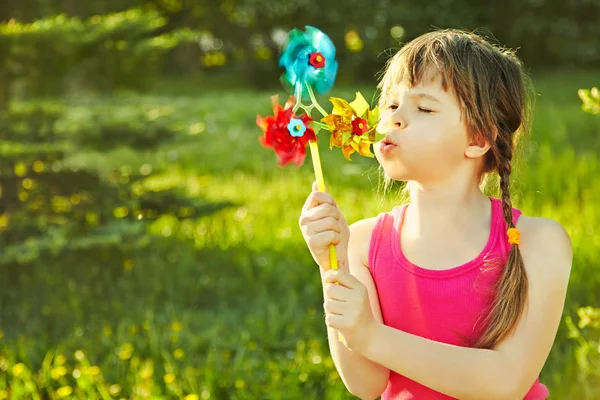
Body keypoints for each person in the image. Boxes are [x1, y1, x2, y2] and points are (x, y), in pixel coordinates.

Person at [298, 29, 572, 400]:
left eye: (424, 108)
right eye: (391, 105)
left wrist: (372, 336)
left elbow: (506, 382)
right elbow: (367, 385)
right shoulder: (359, 244)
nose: (394, 118)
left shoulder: (537, 242)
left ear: (478, 140)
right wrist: (332, 266)